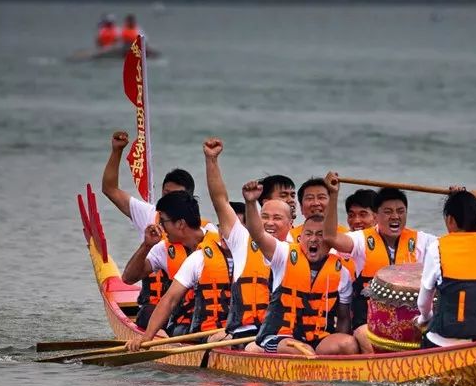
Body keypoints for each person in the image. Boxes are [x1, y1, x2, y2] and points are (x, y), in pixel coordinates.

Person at [101, 131, 211, 329]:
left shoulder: (210, 233)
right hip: (160, 308)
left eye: (175, 196)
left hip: (204, 316)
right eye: (165, 194)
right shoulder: (150, 215)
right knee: (153, 313)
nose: (167, 202)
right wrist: (117, 151)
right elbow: (110, 189)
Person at [322, 172, 436, 353]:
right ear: (376, 216)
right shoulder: (360, 241)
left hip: (413, 326)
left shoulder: (424, 241)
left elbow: (457, 244)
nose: (395, 217)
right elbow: (329, 237)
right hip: (369, 326)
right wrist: (333, 194)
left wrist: (457, 201)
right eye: (388, 212)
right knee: (362, 333)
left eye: (400, 211)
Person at [242, 180, 358, 356]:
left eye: (320, 235)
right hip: (278, 336)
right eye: (308, 234)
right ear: (300, 237)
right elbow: (258, 234)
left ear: (329, 240)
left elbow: (343, 319)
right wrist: (250, 203)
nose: (313, 240)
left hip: (317, 338)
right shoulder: (283, 255)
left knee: (348, 344)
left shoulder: (341, 272)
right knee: (304, 351)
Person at [203, 138, 292, 350]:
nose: (270, 223)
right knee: (220, 341)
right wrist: (211, 160)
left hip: (283, 333)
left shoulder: (298, 248)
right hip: (245, 332)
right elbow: (220, 201)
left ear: (290, 221)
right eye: (265, 217)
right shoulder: (242, 240)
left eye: (277, 218)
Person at [121, 191, 219, 337]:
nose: (160, 226)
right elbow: (129, 278)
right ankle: (162, 338)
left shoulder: (220, 244)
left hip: (217, 327)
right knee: (145, 314)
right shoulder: (163, 248)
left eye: (163, 221)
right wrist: (146, 246)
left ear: (180, 224)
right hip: (180, 325)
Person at [414, 190, 476, 348]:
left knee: (425, 332)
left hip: (445, 342)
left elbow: (424, 303)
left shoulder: (438, 247)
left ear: (450, 220)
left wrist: (423, 319)